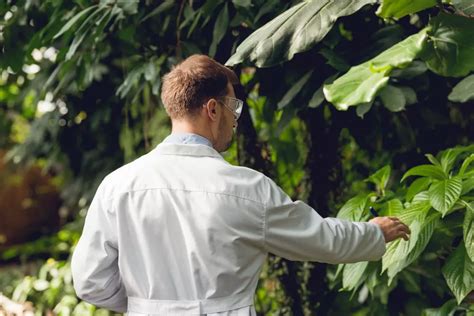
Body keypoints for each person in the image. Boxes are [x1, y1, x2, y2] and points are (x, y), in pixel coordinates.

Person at [71, 55, 410, 315]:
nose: (236, 118)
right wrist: (374, 233)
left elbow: (90, 281)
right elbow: (323, 240)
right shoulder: (246, 189)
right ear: (213, 110)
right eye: (233, 106)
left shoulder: (118, 186)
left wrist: (150, 305)